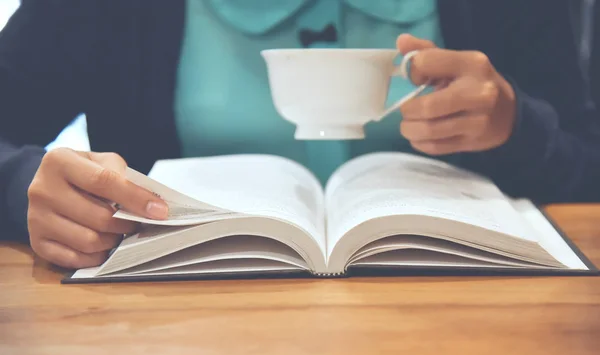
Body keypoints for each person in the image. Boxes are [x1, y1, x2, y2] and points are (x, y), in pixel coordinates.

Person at [1, 0, 599, 269]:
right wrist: (25, 185)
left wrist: (519, 128)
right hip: (167, 327)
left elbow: (587, 161)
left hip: (469, 314)